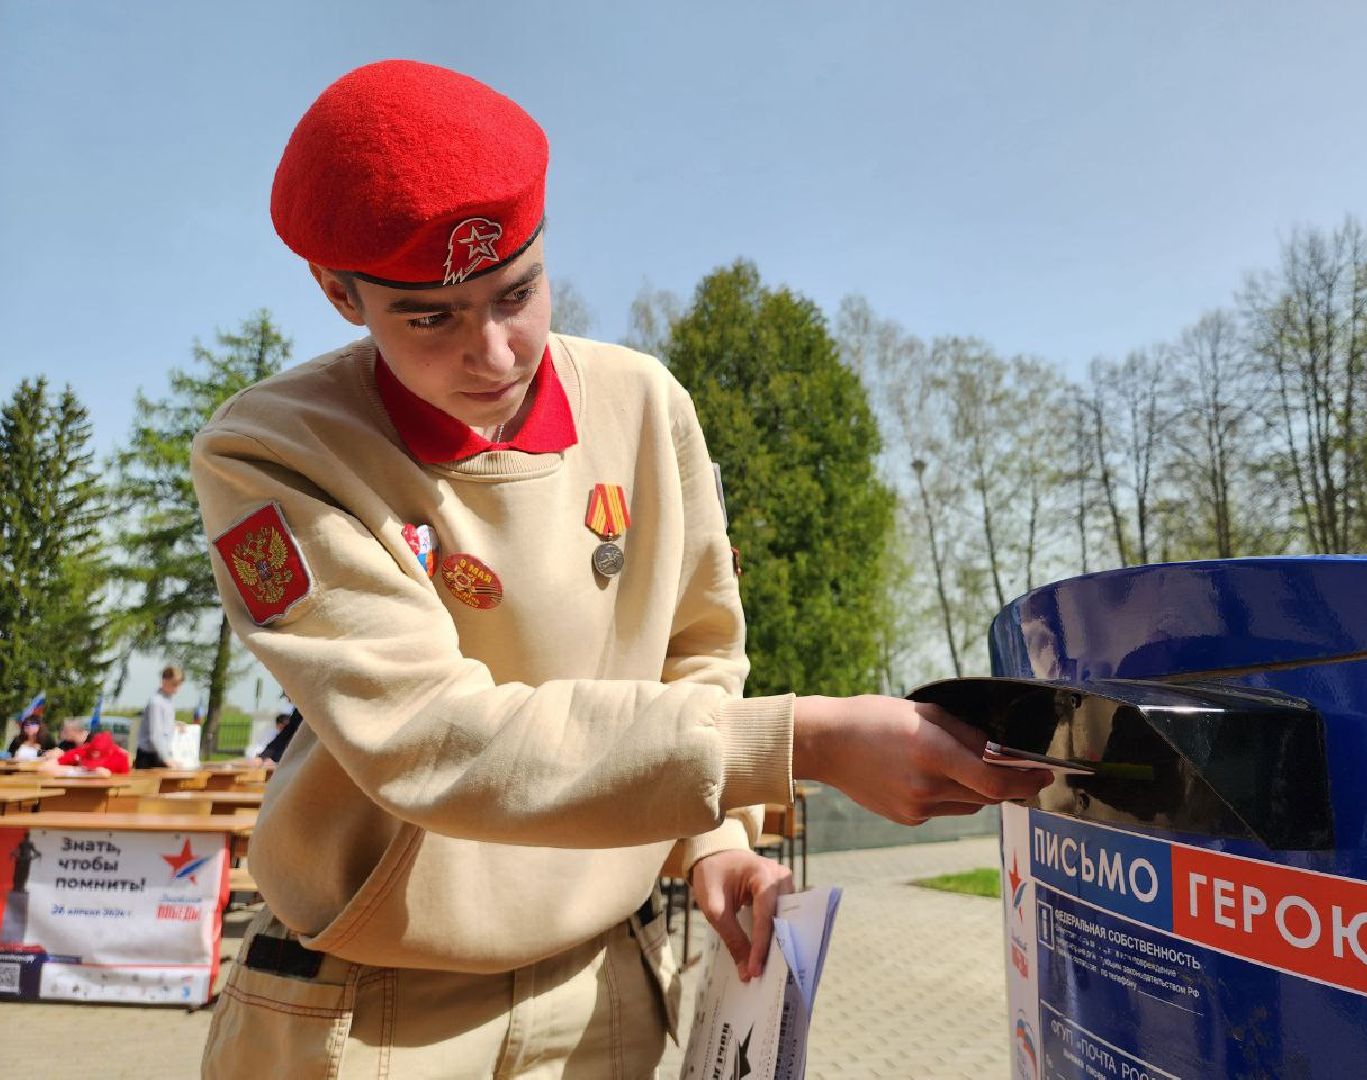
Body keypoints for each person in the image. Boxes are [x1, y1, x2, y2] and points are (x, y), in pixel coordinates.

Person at [191, 60, 1049, 1078]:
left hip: (608, 988)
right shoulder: (276, 450)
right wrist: (802, 740)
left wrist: (717, 840)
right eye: (433, 318)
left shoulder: (642, 404)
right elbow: (429, 736)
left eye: (520, 292)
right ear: (339, 293)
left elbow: (697, 646)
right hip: (374, 1006)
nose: (498, 353)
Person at [133, 665, 183, 769]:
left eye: (179, 685)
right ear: (164, 681)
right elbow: (156, 735)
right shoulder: (156, 703)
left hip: (159, 753)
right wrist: (166, 758)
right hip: (149, 757)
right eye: (174, 685)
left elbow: (163, 725)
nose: (177, 689)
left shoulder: (168, 701)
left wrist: (174, 724)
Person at [48, 730, 130, 777]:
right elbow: (45, 767)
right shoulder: (83, 750)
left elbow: (127, 785)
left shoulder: (120, 758)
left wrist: (109, 775)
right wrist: (78, 771)